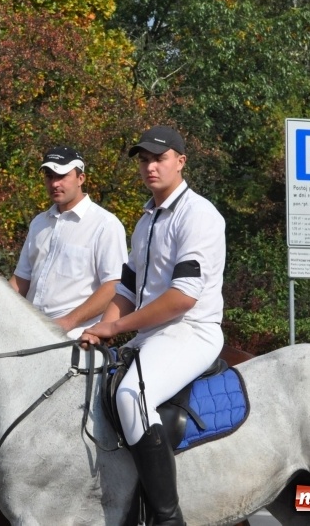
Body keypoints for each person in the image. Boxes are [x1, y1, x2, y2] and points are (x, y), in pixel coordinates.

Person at [81, 126, 226, 526]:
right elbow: (127, 290)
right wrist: (99, 329)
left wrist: (118, 327)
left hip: (191, 330)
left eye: (159, 158)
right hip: (152, 335)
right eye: (144, 160)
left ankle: (168, 518)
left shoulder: (199, 215)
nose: (150, 166)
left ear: (180, 161)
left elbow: (182, 297)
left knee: (131, 396)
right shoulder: (145, 220)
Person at [9, 146, 128, 339]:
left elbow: (114, 285)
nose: (55, 183)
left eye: (62, 175)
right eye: (49, 176)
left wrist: (66, 322)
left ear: (81, 178)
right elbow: (21, 281)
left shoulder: (105, 224)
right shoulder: (39, 223)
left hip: (75, 339)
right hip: (30, 334)